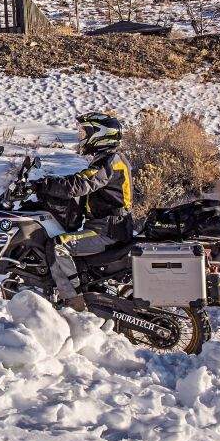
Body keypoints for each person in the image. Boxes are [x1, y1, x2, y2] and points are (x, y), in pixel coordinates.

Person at [30, 112, 134, 311]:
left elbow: (80, 184)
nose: (82, 136)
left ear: (101, 134)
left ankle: (74, 302)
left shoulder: (110, 162)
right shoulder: (108, 160)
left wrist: (44, 185)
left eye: (85, 131)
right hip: (109, 227)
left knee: (57, 246)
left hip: (107, 231)